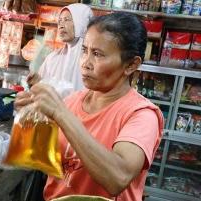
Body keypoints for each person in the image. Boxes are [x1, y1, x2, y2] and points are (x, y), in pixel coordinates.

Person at [15, 12, 164, 201]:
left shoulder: (141, 115)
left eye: (98, 54)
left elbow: (118, 178)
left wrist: (60, 113)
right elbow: (48, 158)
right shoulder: (74, 101)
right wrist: (29, 119)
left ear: (131, 65)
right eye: (84, 51)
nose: (85, 63)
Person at [27, 3, 93, 93]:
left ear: (81, 23)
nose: (61, 25)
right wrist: (35, 83)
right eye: (60, 21)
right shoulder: (52, 58)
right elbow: (42, 91)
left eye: (66, 20)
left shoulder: (92, 60)